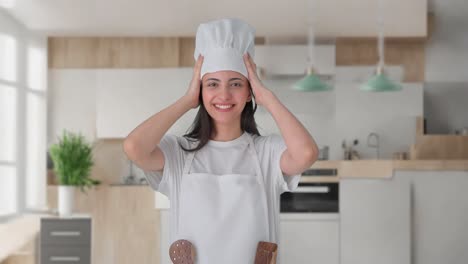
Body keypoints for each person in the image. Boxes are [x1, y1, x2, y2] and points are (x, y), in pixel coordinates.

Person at [123, 18, 319, 264]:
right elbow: (134, 147)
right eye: (212, 84)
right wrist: (186, 100)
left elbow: (306, 154)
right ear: (200, 91)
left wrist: (267, 97)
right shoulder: (178, 152)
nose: (224, 95)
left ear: (249, 92)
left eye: (235, 84)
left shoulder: (266, 152)